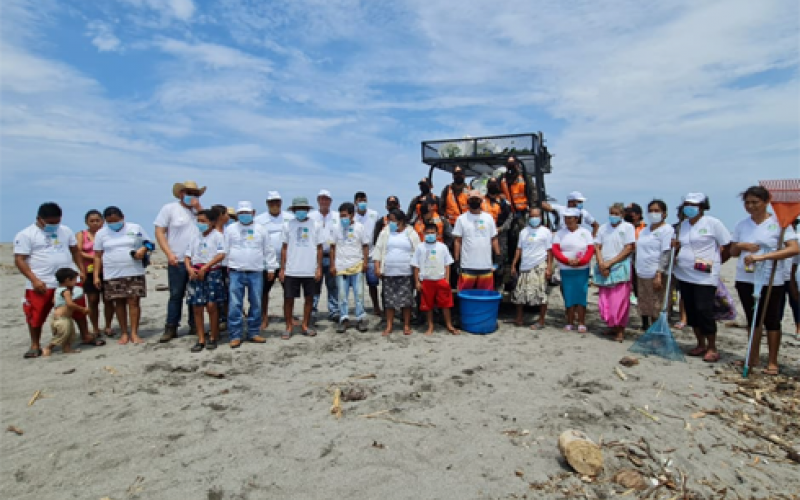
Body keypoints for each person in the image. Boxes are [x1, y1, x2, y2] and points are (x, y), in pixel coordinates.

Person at [14, 202, 100, 359]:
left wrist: (80, 270)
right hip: (42, 282)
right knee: (36, 314)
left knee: (78, 309)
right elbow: (20, 259)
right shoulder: (26, 234)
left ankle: (85, 335)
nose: (54, 225)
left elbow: (75, 251)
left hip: (68, 280)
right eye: (50, 223)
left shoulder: (65, 230)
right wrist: (34, 280)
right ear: (40, 219)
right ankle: (35, 344)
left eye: (57, 222)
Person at [731, 186, 799, 374]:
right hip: (745, 277)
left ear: (766, 202)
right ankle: (752, 357)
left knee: (771, 319)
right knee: (752, 318)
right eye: (747, 202)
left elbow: (793, 249)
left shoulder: (781, 223)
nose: (751, 206)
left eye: (755, 202)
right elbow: (733, 252)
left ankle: (772, 361)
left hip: (771, 278)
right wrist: (741, 245)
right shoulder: (741, 225)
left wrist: (764, 257)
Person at [673, 193, 731, 363]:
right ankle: (700, 343)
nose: (689, 208)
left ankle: (712, 346)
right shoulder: (682, 226)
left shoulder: (713, 224)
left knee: (704, 310)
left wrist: (719, 262)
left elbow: (727, 245)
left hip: (705, 277)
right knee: (691, 311)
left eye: (693, 205)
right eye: (686, 204)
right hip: (684, 275)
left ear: (702, 207)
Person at [93, 206, 153, 345]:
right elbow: (97, 255)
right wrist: (96, 275)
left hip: (133, 270)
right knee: (119, 302)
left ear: (122, 217)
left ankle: (134, 333)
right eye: (110, 222)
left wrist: (143, 250)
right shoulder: (101, 233)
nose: (114, 224)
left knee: (134, 301)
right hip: (112, 272)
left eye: (116, 220)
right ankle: (124, 333)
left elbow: (149, 243)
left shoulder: (135, 228)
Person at [154, 180, 205, 342]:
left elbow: (208, 226)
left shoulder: (199, 212)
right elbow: (160, 232)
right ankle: (171, 327)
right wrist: (168, 253)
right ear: (181, 193)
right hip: (177, 259)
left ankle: (194, 325)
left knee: (195, 295)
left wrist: (198, 209)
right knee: (176, 294)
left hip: (197, 260)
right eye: (189, 193)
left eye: (195, 194)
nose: (192, 196)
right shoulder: (169, 209)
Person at [225, 201, 276, 348]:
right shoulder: (231, 229)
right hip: (236, 271)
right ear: (237, 214)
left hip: (256, 271)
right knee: (235, 304)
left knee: (256, 303)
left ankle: (253, 332)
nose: (244, 216)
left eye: (247, 213)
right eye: (241, 213)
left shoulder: (261, 229)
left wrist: (271, 268)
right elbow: (225, 249)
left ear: (253, 213)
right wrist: (225, 266)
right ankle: (235, 335)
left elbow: (268, 249)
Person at [281, 197, 323, 339]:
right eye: (298, 209)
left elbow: (319, 248)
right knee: (288, 299)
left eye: (303, 209)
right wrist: (282, 268)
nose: (301, 212)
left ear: (307, 210)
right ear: (293, 210)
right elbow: (284, 248)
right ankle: (288, 326)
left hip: (309, 268)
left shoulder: (315, 225)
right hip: (292, 268)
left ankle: (305, 324)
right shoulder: (288, 225)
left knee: (309, 298)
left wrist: (318, 268)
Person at [185, 209, 227, 352]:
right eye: (199, 221)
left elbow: (221, 255)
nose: (200, 224)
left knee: (211, 306)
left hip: (212, 273)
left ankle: (213, 336)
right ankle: (201, 338)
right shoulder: (194, 236)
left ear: (212, 222)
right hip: (196, 273)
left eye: (203, 221)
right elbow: (187, 255)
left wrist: (206, 267)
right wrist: (190, 269)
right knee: (197, 307)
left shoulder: (217, 236)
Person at [594, 203, 636, 341]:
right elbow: (597, 246)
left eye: (617, 214)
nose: (613, 216)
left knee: (619, 302)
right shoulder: (603, 228)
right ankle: (611, 326)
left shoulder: (628, 227)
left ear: (622, 215)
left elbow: (629, 247)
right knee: (605, 302)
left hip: (619, 267)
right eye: (611, 213)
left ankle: (620, 330)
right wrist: (601, 263)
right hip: (603, 267)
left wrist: (611, 263)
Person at [374, 209, 420, 336]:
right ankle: (389, 326)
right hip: (389, 272)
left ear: (401, 220)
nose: (390, 222)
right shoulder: (385, 232)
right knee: (389, 301)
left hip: (406, 272)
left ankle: (406, 325)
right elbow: (378, 250)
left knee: (406, 301)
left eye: (393, 220)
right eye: (390, 220)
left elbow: (418, 251)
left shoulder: (411, 233)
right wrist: (377, 267)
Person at [552, 208, 595, 332]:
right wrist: (567, 261)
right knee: (569, 295)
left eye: (570, 218)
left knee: (581, 294)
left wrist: (581, 262)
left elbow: (590, 249)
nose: (567, 221)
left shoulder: (585, 233)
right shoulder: (560, 233)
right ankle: (570, 321)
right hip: (566, 269)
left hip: (582, 269)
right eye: (566, 218)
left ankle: (581, 322)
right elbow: (555, 250)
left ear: (576, 219)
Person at [412, 223, 459, 335]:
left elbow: (448, 264)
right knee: (428, 306)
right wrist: (417, 282)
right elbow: (416, 266)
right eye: (427, 233)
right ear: (423, 234)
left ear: (437, 234)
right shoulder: (420, 247)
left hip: (440, 279)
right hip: (426, 280)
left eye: (432, 233)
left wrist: (447, 280)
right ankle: (430, 326)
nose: (430, 235)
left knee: (446, 304)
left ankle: (449, 325)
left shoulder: (442, 247)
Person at [255, 191, 293, 330]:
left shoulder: (290, 218)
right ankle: (263, 318)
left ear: (281, 202)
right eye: (271, 202)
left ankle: (289, 317)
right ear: (267, 204)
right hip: (266, 263)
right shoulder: (259, 220)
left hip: (286, 262)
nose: (274, 204)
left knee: (288, 292)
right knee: (264, 292)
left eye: (277, 201)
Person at [330, 202, 370, 333]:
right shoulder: (336, 228)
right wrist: (332, 264)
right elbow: (332, 247)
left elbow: (365, 245)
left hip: (357, 265)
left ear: (352, 215)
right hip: (341, 266)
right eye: (341, 216)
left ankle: (360, 318)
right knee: (342, 295)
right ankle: (344, 318)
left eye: (345, 215)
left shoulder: (360, 227)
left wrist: (365, 262)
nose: (343, 218)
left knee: (359, 294)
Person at [635, 200, 675, 329]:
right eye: (651, 210)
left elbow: (666, 252)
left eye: (657, 211)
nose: (653, 213)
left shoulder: (667, 230)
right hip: (642, 273)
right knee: (646, 306)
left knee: (658, 306)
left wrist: (659, 272)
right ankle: (648, 330)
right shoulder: (644, 230)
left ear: (664, 214)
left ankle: (658, 332)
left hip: (657, 274)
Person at [510, 207, 553, 329]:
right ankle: (519, 318)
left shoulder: (546, 232)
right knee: (520, 293)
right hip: (525, 265)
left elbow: (550, 251)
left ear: (540, 217)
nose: (534, 218)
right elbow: (519, 249)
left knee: (540, 294)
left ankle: (541, 320)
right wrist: (514, 264)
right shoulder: (524, 232)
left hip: (539, 265)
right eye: (532, 216)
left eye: (536, 216)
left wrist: (549, 268)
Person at [76, 209, 114, 338]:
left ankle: (108, 325)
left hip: (108, 270)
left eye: (98, 220)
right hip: (90, 271)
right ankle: (95, 327)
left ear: (102, 221)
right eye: (92, 221)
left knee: (108, 299)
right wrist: (95, 258)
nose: (95, 223)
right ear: (87, 222)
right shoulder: (82, 235)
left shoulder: (107, 233)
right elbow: (78, 252)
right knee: (93, 300)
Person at [453, 190, 501, 291]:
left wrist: (498, 256)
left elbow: (494, 239)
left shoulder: (488, 218)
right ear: (468, 201)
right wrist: (456, 260)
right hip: (467, 266)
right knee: (465, 295)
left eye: (476, 199)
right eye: (472, 199)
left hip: (486, 266)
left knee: (485, 296)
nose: (474, 201)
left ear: (481, 201)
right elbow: (458, 241)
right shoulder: (461, 219)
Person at [43, 268, 89, 356]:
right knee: (62, 335)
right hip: (62, 318)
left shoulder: (58, 290)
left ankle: (67, 348)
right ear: (68, 280)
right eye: (75, 280)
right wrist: (82, 309)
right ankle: (48, 347)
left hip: (62, 317)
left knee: (70, 334)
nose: (76, 282)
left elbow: (53, 301)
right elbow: (70, 304)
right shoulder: (66, 291)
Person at [310, 189, 340, 324]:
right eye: (321, 199)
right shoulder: (311, 216)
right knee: (315, 285)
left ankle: (333, 311)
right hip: (315, 256)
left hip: (332, 255)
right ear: (318, 200)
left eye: (326, 199)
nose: (324, 201)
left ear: (330, 201)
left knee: (333, 285)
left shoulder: (337, 216)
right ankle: (312, 310)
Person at [354, 191, 382, 316]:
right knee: (357, 285)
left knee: (373, 283)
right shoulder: (352, 216)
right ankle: (359, 308)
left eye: (364, 200)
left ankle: (376, 306)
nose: (362, 203)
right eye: (360, 200)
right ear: (355, 202)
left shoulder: (374, 214)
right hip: (357, 255)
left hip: (372, 253)